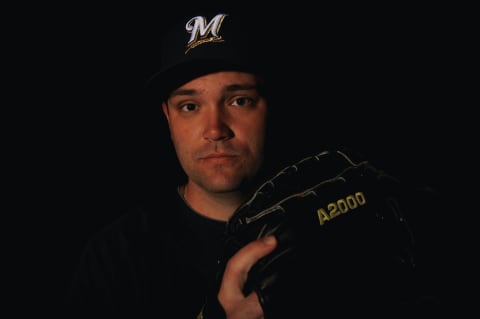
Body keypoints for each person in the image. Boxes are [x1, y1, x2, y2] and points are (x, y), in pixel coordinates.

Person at [65, 8, 442, 318]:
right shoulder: (114, 257)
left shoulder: (340, 224)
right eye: (190, 106)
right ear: (168, 117)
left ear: (269, 107)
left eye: (239, 100)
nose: (215, 130)